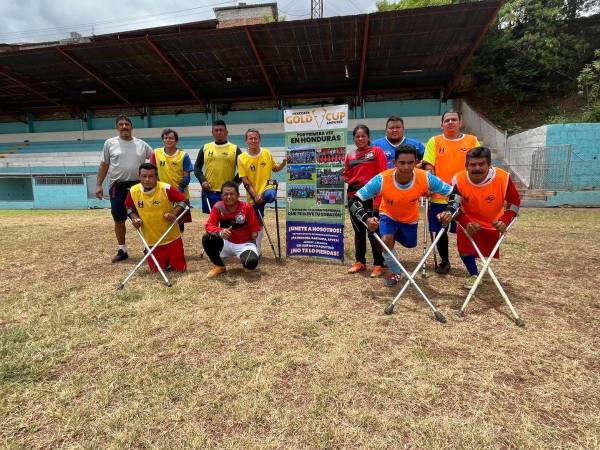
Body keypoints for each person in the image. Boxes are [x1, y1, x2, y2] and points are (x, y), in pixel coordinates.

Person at [351, 144, 456, 286]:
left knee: (409, 244)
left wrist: (449, 211)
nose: (406, 167)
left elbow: (455, 193)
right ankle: (395, 272)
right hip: (388, 215)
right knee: (386, 241)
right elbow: (354, 200)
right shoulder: (382, 179)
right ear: (394, 163)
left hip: (410, 219)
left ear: (416, 162)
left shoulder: (426, 178)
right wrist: (366, 219)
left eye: (410, 163)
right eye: (401, 162)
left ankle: (395, 265)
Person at [451, 146, 521, 288]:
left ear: (489, 165)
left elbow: (515, 203)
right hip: (469, 221)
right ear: (466, 166)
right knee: (463, 248)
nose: (477, 168)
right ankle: (474, 274)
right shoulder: (457, 179)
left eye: (481, 164)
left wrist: (504, 221)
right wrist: (465, 222)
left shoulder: (503, 178)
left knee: (485, 252)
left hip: (493, 223)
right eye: (472, 164)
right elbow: (453, 205)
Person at [422, 111, 480, 274]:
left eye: (454, 119)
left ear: (460, 122)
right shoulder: (434, 141)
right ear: (442, 125)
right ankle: (445, 261)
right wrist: (430, 183)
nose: (450, 122)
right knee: (439, 232)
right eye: (447, 120)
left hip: (465, 197)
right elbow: (428, 166)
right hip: (439, 197)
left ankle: (472, 267)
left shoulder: (472, 140)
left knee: (465, 231)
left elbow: (478, 164)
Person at [95, 114, 153, 263]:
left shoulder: (141, 144)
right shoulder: (109, 143)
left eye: (126, 124)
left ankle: (149, 247)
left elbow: (154, 158)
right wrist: (98, 185)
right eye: (120, 124)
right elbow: (104, 165)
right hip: (118, 187)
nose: (124, 127)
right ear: (117, 127)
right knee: (119, 219)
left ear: (132, 127)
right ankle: (122, 249)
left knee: (145, 218)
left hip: (138, 187)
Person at [125, 163, 187, 273]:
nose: (147, 179)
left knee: (180, 270)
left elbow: (183, 201)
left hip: (172, 239)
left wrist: (173, 213)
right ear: (139, 177)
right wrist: (135, 218)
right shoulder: (133, 191)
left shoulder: (166, 188)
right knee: (156, 272)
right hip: (152, 242)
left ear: (156, 177)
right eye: (144, 176)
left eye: (151, 176)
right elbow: (129, 207)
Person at [343, 124, 387, 277]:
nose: (360, 138)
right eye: (357, 136)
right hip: (354, 198)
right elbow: (346, 174)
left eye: (363, 136)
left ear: (368, 137)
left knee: (374, 230)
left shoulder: (376, 152)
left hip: (372, 197)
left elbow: (383, 176)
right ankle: (360, 262)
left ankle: (378, 264)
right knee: (358, 231)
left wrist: (378, 201)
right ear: (354, 138)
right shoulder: (350, 155)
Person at [202, 181, 262, 278]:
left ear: (238, 195)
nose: (229, 197)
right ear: (221, 196)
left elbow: (255, 229)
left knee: (251, 263)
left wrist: (253, 236)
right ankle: (219, 266)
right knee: (207, 238)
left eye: (232, 194)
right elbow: (209, 225)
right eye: (225, 194)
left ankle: (246, 260)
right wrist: (220, 231)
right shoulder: (218, 207)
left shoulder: (247, 207)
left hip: (244, 245)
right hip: (225, 243)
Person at [194, 120, 241, 214]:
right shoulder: (205, 147)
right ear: (212, 133)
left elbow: (243, 171)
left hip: (227, 193)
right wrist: (203, 181)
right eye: (216, 130)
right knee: (212, 221)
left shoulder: (235, 149)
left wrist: (232, 185)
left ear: (226, 132)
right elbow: (197, 168)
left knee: (227, 220)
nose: (219, 132)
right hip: (209, 191)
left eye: (221, 130)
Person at [150, 128, 193, 232]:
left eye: (171, 138)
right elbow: (152, 173)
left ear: (176, 140)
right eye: (165, 138)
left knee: (179, 223)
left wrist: (180, 191)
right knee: (162, 221)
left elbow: (187, 176)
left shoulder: (183, 155)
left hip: (180, 194)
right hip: (162, 194)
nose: (168, 140)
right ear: (163, 140)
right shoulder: (156, 153)